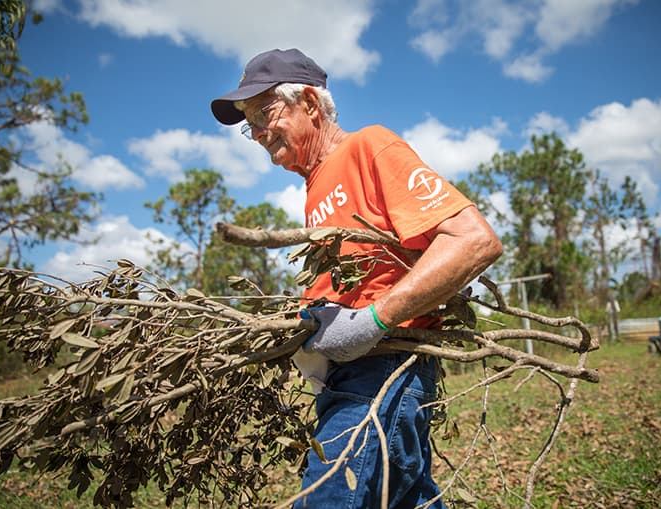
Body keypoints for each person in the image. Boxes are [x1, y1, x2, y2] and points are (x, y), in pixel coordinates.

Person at [211, 48, 502, 509]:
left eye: (264, 113)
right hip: (347, 376)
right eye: (251, 126)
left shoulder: (369, 146)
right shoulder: (315, 188)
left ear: (308, 103)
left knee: (327, 499)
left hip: (382, 368)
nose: (260, 133)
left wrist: (371, 321)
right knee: (404, 497)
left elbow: (472, 241)